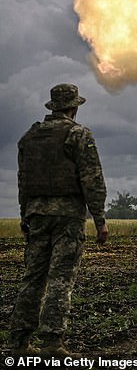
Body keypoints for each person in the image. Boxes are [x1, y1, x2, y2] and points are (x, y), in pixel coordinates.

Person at [10, 83, 109, 356]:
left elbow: (23, 183)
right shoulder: (78, 135)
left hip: (36, 215)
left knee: (32, 278)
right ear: (74, 107)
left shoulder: (28, 138)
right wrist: (100, 220)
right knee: (60, 278)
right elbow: (92, 180)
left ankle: (18, 342)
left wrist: (24, 216)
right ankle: (52, 343)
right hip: (67, 217)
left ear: (53, 107)